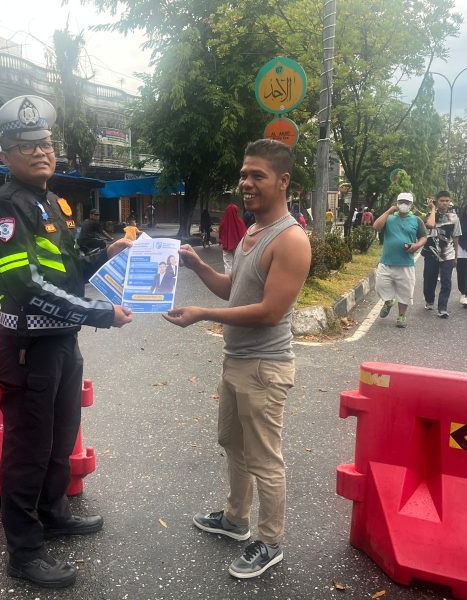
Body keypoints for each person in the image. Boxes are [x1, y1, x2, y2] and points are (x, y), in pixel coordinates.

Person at [0, 95, 133, 589]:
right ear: (5, 153)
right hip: (28, 348)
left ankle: (52, 511)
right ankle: (23, 552)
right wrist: (101, 314)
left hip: (62, 345)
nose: (41, 152)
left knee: (60, 439)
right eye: (27, 146)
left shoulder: (51, 201)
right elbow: (25, 285)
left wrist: (109, 252)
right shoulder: (4, 206)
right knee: (27, 449)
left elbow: (67, 274)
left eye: (45, 143)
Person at [164, 139, 311, 580]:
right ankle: (235, 518)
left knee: (265, 458)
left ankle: (269, 542)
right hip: (236, 360)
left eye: (258, 175)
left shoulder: (290, 240)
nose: (246, 183)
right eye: (244, 175)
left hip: (265, 368)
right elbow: (235, 289)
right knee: (232, 443)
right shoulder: (252, 231)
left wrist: (202, 314)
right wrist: (196, 266)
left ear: (283, 181)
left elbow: (269, 311)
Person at [372, 192, 428, 328]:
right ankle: (388, 302)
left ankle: (401, 315)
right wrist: (388, 211)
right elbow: (376, 227)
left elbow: (424, 236)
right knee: (380, 286)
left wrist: (416, 245)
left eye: (407, 202)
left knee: (405, 291)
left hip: (406, 264)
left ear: (411, 205)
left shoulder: (416, 220)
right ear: (397, 203)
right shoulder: (389, 218)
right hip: (386, 262)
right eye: (401, 201)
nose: (404, 204)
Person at [422, 191, 462, 318]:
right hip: (431, 252)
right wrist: (433, 209)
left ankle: (442, 308)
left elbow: (456, 237)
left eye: (447, 200)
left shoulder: (454, 218)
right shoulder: (429, 215)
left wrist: (456, 256)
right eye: (442, 200)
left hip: (447, 254)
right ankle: (429, 300)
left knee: (446, 282)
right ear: (437, 201)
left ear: (450, 202)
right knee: (429, 280)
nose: (445, 203)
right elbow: (430, 225)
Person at [218, 203, 247, 274]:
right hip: (237, 246)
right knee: (238, 263)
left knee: (228, 264)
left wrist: (220, 241)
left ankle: (228, 281)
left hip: (226, 246)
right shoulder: (240, 222)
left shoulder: (223, 221)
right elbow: (244, 235)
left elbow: (220, 233)